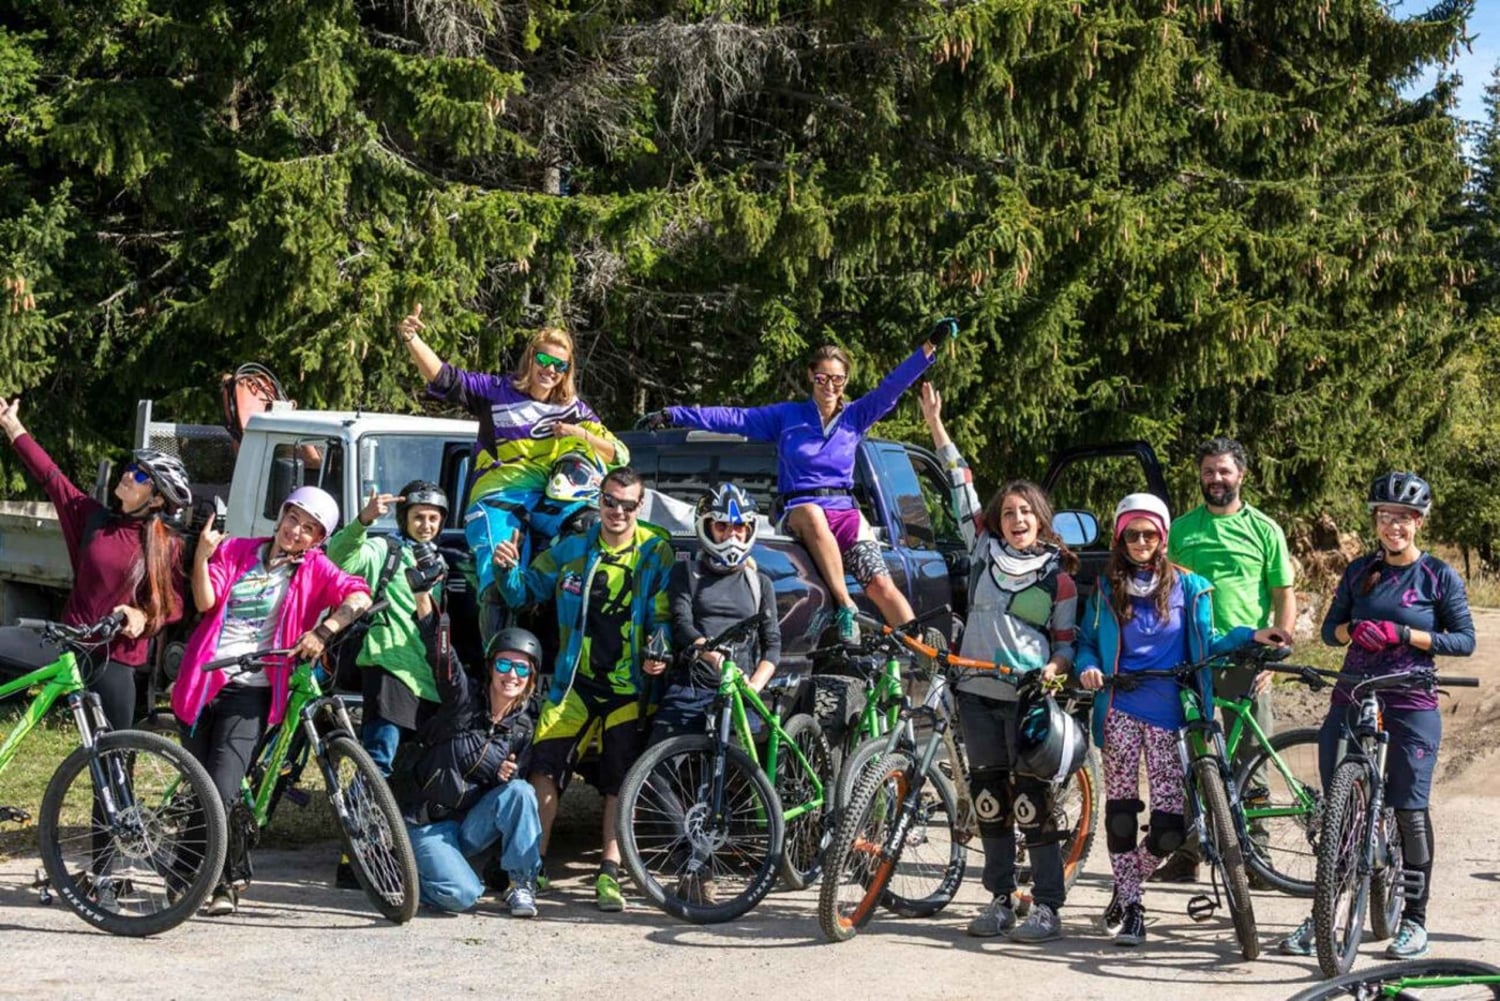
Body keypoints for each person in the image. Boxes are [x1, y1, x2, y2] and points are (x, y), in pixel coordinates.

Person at [646, 320, 959, 645]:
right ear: (811, 376)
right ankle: (846, 606)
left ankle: (923, 652)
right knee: (813, 513)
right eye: (822, 378)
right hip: (799, 510)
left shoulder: (855, 417)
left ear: (845, 381)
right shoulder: (787, 417)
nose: (829, 386)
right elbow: (735, 418)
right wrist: (675, 414)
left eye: (837, 379)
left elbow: (891, 387)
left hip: (845, 514)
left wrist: (929, 347)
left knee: (881, 584)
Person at [1075, 493, 1287, 947]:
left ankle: (1125, 885)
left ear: (1163, 537)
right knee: (1121, 816)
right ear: (1120, 538)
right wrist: (1087, 667)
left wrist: (1252, 634)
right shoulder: (1106, 589)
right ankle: (1134, 910)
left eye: (1150, 534)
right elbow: (1087, 643)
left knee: (1170, 830)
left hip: (1171, 717)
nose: (1141, 542)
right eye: (1132, 534)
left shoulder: (1191, 588)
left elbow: (1209, 640)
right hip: (1120, 710)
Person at [1279, 472, 1474, 961]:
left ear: (1419, 522)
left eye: (1404, 517)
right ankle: (1325, 914)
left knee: (1409, 809)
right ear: (1376, 520)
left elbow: (1464, 640)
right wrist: (1355, 630)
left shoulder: (1437, 576)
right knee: (1340, 809)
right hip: (1354, 693)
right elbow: (1329, 631)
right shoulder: (1359, 571)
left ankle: (1414, 920)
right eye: (1386, 516)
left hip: (1410, 700)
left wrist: (1405, 636)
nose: (1394, 526)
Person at [922, 384, 1077, 943]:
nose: (1016, 518)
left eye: (1025, 512)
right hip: (976, 694)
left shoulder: (1058, 576)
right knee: (989, 802)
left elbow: (1065, 645)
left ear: (1041, 519)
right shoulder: (983, 550)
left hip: (1027, 701)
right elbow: (959, 485)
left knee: (1033, 803)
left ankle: (1048, 906)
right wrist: (937, 426)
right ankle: (999, 900)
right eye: (1008, 512)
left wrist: (1053, 671)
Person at [172, 485, 372, 915]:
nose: (295, 531)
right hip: (203, 681)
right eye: (293, 519)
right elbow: (206, 601)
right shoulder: (238, 550)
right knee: (202, 787)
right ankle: (194, 873)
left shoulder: (315, 569)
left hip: (253, 689)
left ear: (318, 539)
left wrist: (325, 631)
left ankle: (213, 881)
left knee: (222, 787)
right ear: (281, 516)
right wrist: (202, 558)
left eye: (309, 529)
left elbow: (359, 594)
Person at [491, 467, 673, 912]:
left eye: (627, 504)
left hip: (628, 688)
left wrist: (660, 649)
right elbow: (523, 594)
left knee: (620, 780)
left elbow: (663, 613)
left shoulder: (655, 549)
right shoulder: (572, 548)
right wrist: (506, 569)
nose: (617, 511)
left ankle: (610, 872)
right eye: (609, 501)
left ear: (640, 506)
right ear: (599, 500)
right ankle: (530, 867)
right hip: (574, 683)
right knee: (543, 768)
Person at [396, 304, 627, 633]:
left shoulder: (573, 409)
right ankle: (499, 660)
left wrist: (578, 433)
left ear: (567, 371)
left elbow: (619, 455)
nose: (550, 370)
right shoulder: (497, 392)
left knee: (590, 526)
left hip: (546, 502)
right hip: (498, 499)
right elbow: (444, 377)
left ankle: (554, 611)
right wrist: (411, 338)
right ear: (530, 358)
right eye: (543, 360)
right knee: (499, 582)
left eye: (559, 366)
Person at [0, 397, 190, 730]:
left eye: (141, 476)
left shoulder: (166, 545)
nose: (128, 475)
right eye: (131, 468)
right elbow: (52, 477)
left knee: (116, 755)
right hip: (67, 643)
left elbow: (173, 606)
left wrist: (142, 617)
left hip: (114, 660)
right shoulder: (94, 519)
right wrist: (11, 425)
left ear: (157, 499)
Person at [1156, 436, 1296, 884]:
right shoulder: (1181, 529)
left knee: (1251, 758)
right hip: (1191, 658)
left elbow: (1283, 595)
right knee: (1189, 755)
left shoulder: (1265, 530)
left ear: (1241, 475)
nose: (1215, 478)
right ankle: (1188, 854)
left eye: (1224, 471)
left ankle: (1257, 857)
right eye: (1208, 471)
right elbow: (1162, 587)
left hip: (1246, 659)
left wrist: (1275, 656)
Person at [401, 624, 544, 917]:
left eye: (521, 668)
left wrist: (503, 779)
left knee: (520, 791)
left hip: (466, 826)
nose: (512, 675)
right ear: (490, 667)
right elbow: (444, 659)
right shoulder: (463, 702)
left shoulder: (521, 728)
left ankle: (521, 884)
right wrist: (427, 611)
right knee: (461, 896)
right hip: (426, 822)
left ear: (531, 677)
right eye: (503, 664)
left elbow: (514, 810)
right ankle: (398, 876)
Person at [325, 481, 450, 775]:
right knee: (380, 758)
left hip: (424, 673)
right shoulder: (386, 549)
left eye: (433, 518)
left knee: (410, 764)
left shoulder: (438, 561)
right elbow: (339, 559)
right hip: (389, 664)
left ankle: (377, 805)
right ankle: (363, 805)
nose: (426, 525)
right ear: (404, 518)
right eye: (418, 517)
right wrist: (363, 521)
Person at [652, 483, 780, 746]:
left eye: (739, 527)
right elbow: (682, 626)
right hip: (690, 689)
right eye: (722, 526)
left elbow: (772, 645)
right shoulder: (685, 572)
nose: (732, 535)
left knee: (741, 768)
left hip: (739, 693)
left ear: (749, 530)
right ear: (706, 527)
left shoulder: (760, 582)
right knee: (656, 765)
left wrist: (754, 686)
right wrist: (715, 659)